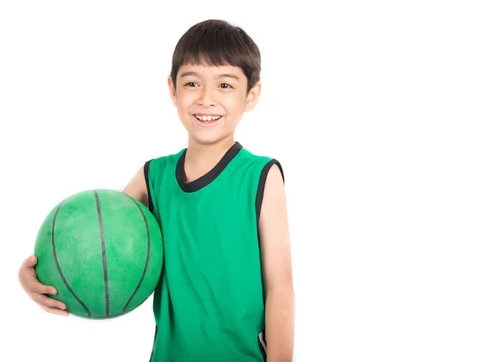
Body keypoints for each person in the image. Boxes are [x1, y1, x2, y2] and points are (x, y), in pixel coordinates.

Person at [19, 19, 295, 361]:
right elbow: (102, 242)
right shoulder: (154, 176)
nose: (206, 99)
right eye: (192, 83)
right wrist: (35, 275)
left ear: (251, 95)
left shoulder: (260, 175)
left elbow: (279, 286)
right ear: (173, 90)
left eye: (225, 85)